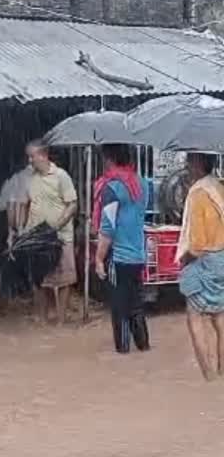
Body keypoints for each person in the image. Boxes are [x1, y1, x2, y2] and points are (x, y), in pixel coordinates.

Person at [93, 144, 151, 354]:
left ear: (109, 159)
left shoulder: (112, 187)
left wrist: (99, 258)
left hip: (119, 256)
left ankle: (123, 349)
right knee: (136, 303)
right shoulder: (141, 184)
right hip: (138, 253)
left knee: (119, 306)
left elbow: (107, 227)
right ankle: (143, 346)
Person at [176, 153, 224, 380]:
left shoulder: (198, 194)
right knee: (220, 318)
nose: (186, 165)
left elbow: (196, 244)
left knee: (194, 316)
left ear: (197, 163)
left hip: (203, 260)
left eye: (189, 161)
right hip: (222, 258)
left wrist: (183, 260)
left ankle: (209, 376)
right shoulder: (219, 187)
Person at [22, 141, 78, 324]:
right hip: (37, 238)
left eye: (32, 156)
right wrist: (23, 229)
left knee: (64, 280)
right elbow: (26, 204)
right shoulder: (30, 178)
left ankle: (61, 319)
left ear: (43, 155)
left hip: (60, 237)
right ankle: (44, 318)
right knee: (41, 280)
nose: (30, 161)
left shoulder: (61, 176)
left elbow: (72, 205)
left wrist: (57, 225)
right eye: (28, 157)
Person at [0, 167, 32, 247]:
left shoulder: (17, 179)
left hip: (18, 222)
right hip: (17, 220)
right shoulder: (18, 179)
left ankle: (15, 231)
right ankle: (15, 231)